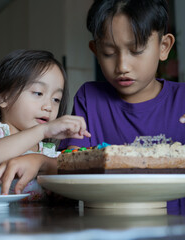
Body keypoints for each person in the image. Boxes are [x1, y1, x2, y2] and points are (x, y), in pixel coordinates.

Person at [59, 0, 185, 211]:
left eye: (136, 51)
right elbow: (71, 165)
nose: (122, 66)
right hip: (107, 226)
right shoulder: (90, 99)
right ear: (95, 51)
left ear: (164, 47)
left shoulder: (182, 100)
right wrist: (41, 161)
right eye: (108, 53)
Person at [0, 49, 90, 200]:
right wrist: (42, 130)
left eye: (56, 99)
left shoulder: (47, 152)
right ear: (3, 98)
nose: (49, 107)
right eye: (38, 93)